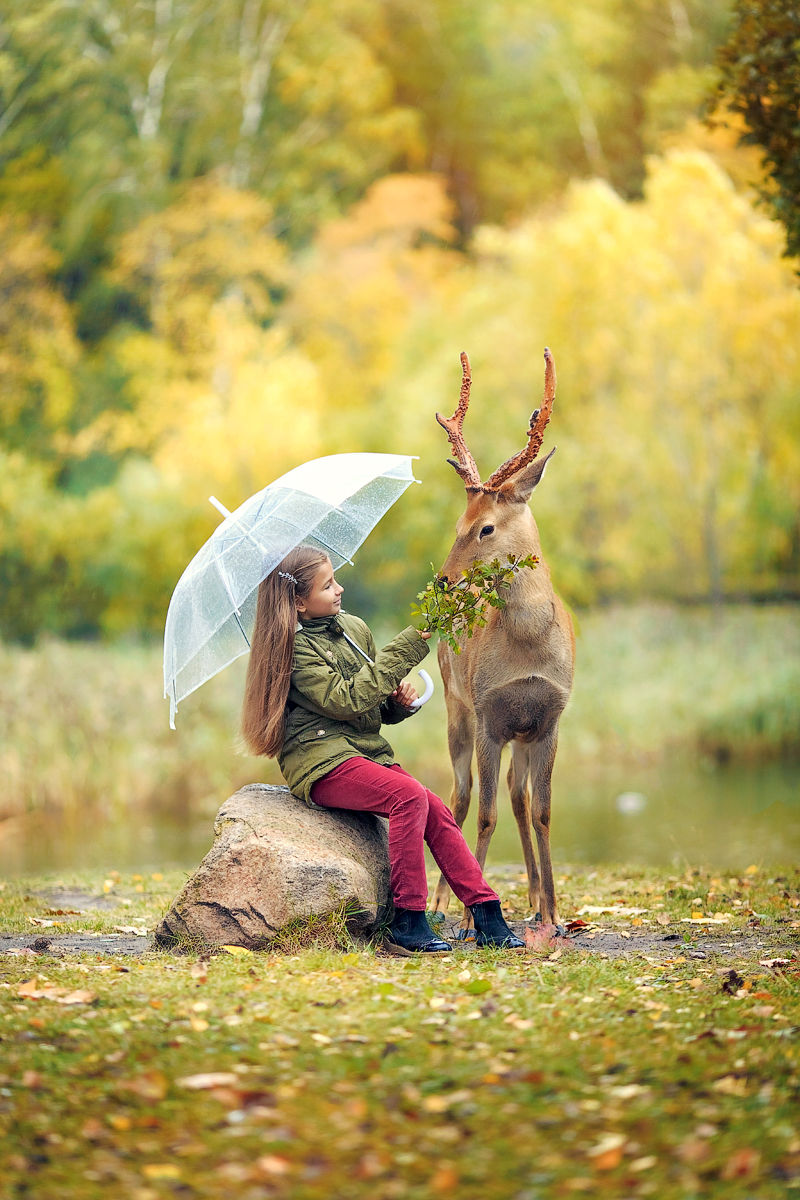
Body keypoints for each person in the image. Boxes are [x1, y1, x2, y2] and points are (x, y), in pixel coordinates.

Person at [240, 545, 525, 954]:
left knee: (436, 809)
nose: (339, 589)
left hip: (362, 752)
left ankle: (487, 914)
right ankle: (407, 921)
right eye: (327, 586)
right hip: (320, 761)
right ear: (299, 603)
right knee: (408, 797)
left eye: (336, 579)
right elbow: (345, 700)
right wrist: (406, 649)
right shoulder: (294, 651)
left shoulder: (353, 628)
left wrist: (396, 704)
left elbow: (370, 705)